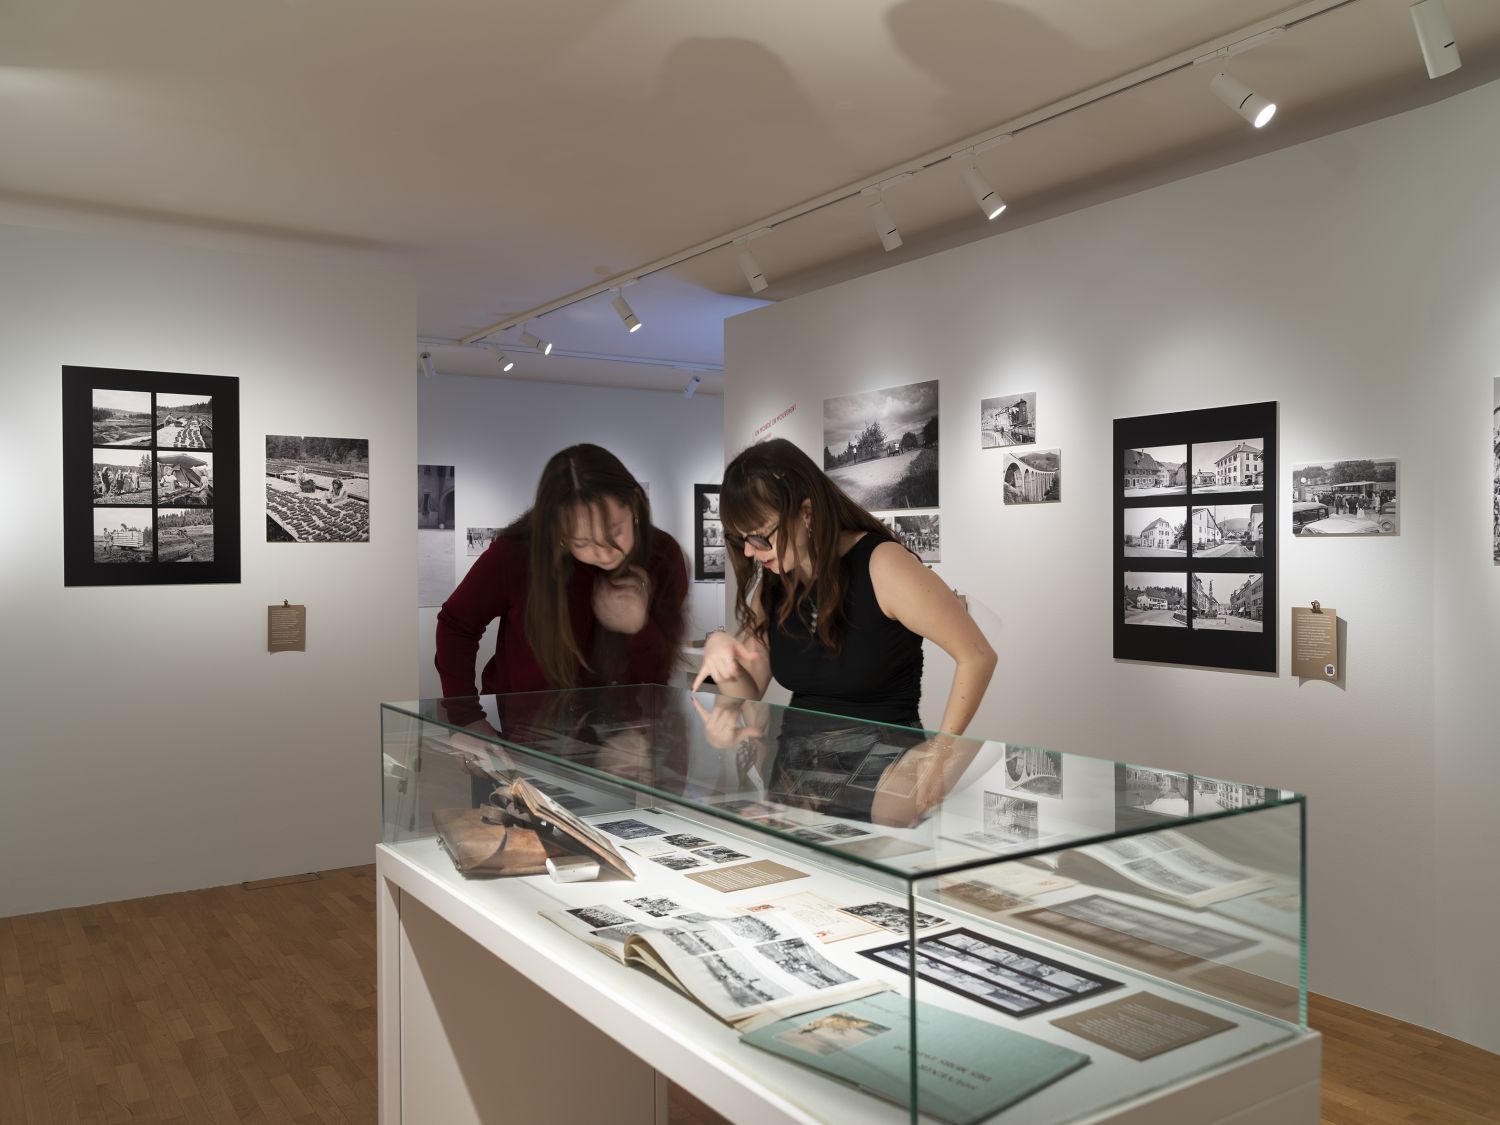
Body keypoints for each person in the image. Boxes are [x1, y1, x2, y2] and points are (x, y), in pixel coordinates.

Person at [691, 438, 995, 735]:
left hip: (883, 761)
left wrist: (941, 753)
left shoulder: (882, 564)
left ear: (806, 513)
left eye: (759, 537)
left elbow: (977, 656)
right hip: (795, 762)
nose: (748, 551)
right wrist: (720, 652)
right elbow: (750, 690)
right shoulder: (774, 585)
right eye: (741, 538)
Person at [435, 444, 688, 712]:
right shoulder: (517, 553)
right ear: (557, 531)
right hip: (525, 726)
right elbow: (457, 625)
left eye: (615, 532)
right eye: (582, 543)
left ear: (635, 502)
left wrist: (639, 627)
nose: (605, 554)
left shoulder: (662, 554)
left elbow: (658, 676)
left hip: (623, 728)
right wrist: (466, 717)